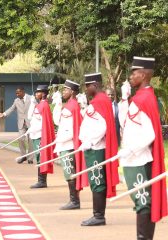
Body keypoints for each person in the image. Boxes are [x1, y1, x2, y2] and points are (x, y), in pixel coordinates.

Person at [118, 57, 167, 239]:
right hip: (133, 159)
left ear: (144, 74)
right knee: (140, 201)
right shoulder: (139, 97)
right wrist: (124, 99)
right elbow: (126, 124)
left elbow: (149, 134)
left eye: (134, 73)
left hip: (139, 159)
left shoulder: (145, 98)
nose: (131, 76)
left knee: (143, 202)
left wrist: (131, 149)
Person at [79, 72, 119, 226]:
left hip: (96, 148)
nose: (86, 89)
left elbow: (102, 126)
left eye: (87, 86)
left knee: (97, 181)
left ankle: (98, 216)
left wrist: (90, 141)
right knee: (97, 180)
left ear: (94, 85)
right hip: (94, 146)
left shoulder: (99, 102)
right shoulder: (100, 100)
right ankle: (98, 215)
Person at [52, 80, 88, 210]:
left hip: (68, 145)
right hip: (64, 144)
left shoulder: (72, 106)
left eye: (65, 89)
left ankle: (74, 201)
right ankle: (73, 200)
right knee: (69, 173)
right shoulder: (69, 105)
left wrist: (60, 139)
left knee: (70, 173)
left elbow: (73, 130)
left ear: (72, 91)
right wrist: (57, 104)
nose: (63, 92)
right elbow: (58, 122)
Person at [27, 85, 56, 189]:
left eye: (38, 92)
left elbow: (43, 123)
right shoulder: (39, 105)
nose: (36, 94)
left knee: (41, 158)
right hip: (35, 135)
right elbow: (33, 119)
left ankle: (42, 181)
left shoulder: (44, 106)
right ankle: (41, 180)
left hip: (40, 136)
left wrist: (33, 129)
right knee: (39, 157)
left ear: (43, 94)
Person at [0, 86, 34, 164]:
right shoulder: (16, 101)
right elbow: (11, 108)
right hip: (21, 124)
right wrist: (3, 114)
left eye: (18, 93)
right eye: (16, 93)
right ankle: (23, 156)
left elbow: (37, 107)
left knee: (30, 140)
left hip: (31, 123)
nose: (17, 94)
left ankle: (30, 158)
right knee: (21, 139)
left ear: (23, 91)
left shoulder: (31, 98)